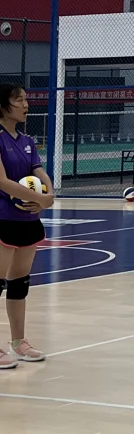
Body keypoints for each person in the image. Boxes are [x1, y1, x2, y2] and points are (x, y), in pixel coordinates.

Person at [0, 84, 54, 366]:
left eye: (26, 99)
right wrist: (38, 198)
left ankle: (18, 342)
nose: (25, 104)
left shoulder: (27, 141)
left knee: (19, 282)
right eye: (18, 100)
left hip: (28, 219)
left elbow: (38, 171)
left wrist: (49, 194)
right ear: (2, 105)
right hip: (3, 217)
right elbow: (2, 181)